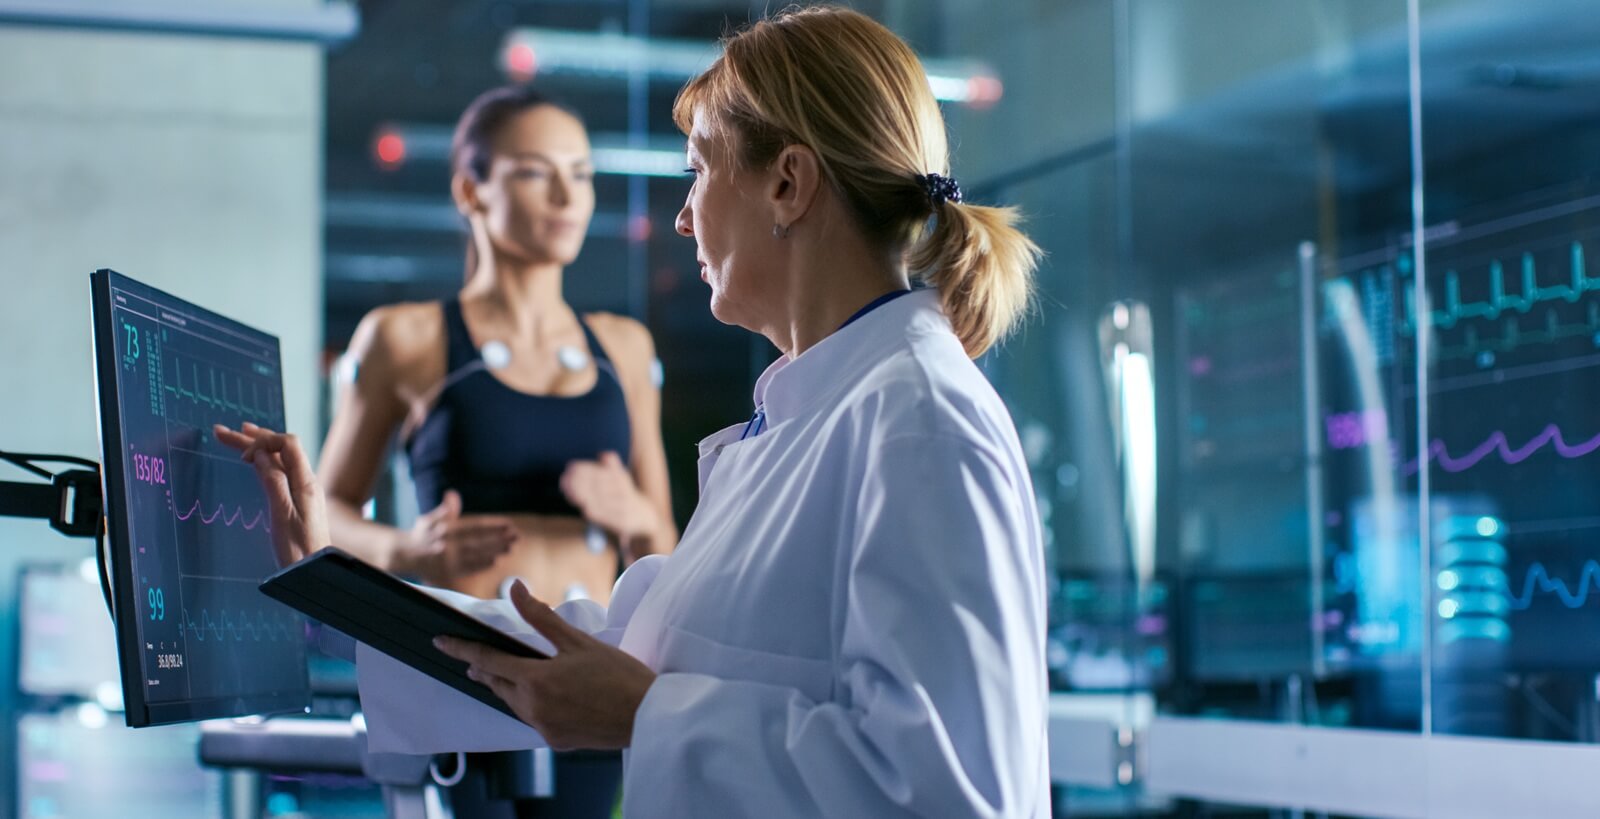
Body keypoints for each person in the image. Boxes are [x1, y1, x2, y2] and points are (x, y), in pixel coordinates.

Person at [219, 5, 1049, 816]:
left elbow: (953, 793)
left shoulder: (921, 421)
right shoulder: (814, 416)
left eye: (697, 170)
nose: (683, 217)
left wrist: (645, 714)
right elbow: (608, 648)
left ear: (787, 184)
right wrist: (338, 588)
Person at [314, 85, 676, 817]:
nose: (567, 195)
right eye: (537, 172)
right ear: (472, 190)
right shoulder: (404, 338)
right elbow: (327, 509)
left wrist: (633, 512)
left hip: (587, 678)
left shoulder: (625, 348)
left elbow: (665, 543)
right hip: (457, 676)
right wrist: (407, 548)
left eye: (580, 173)